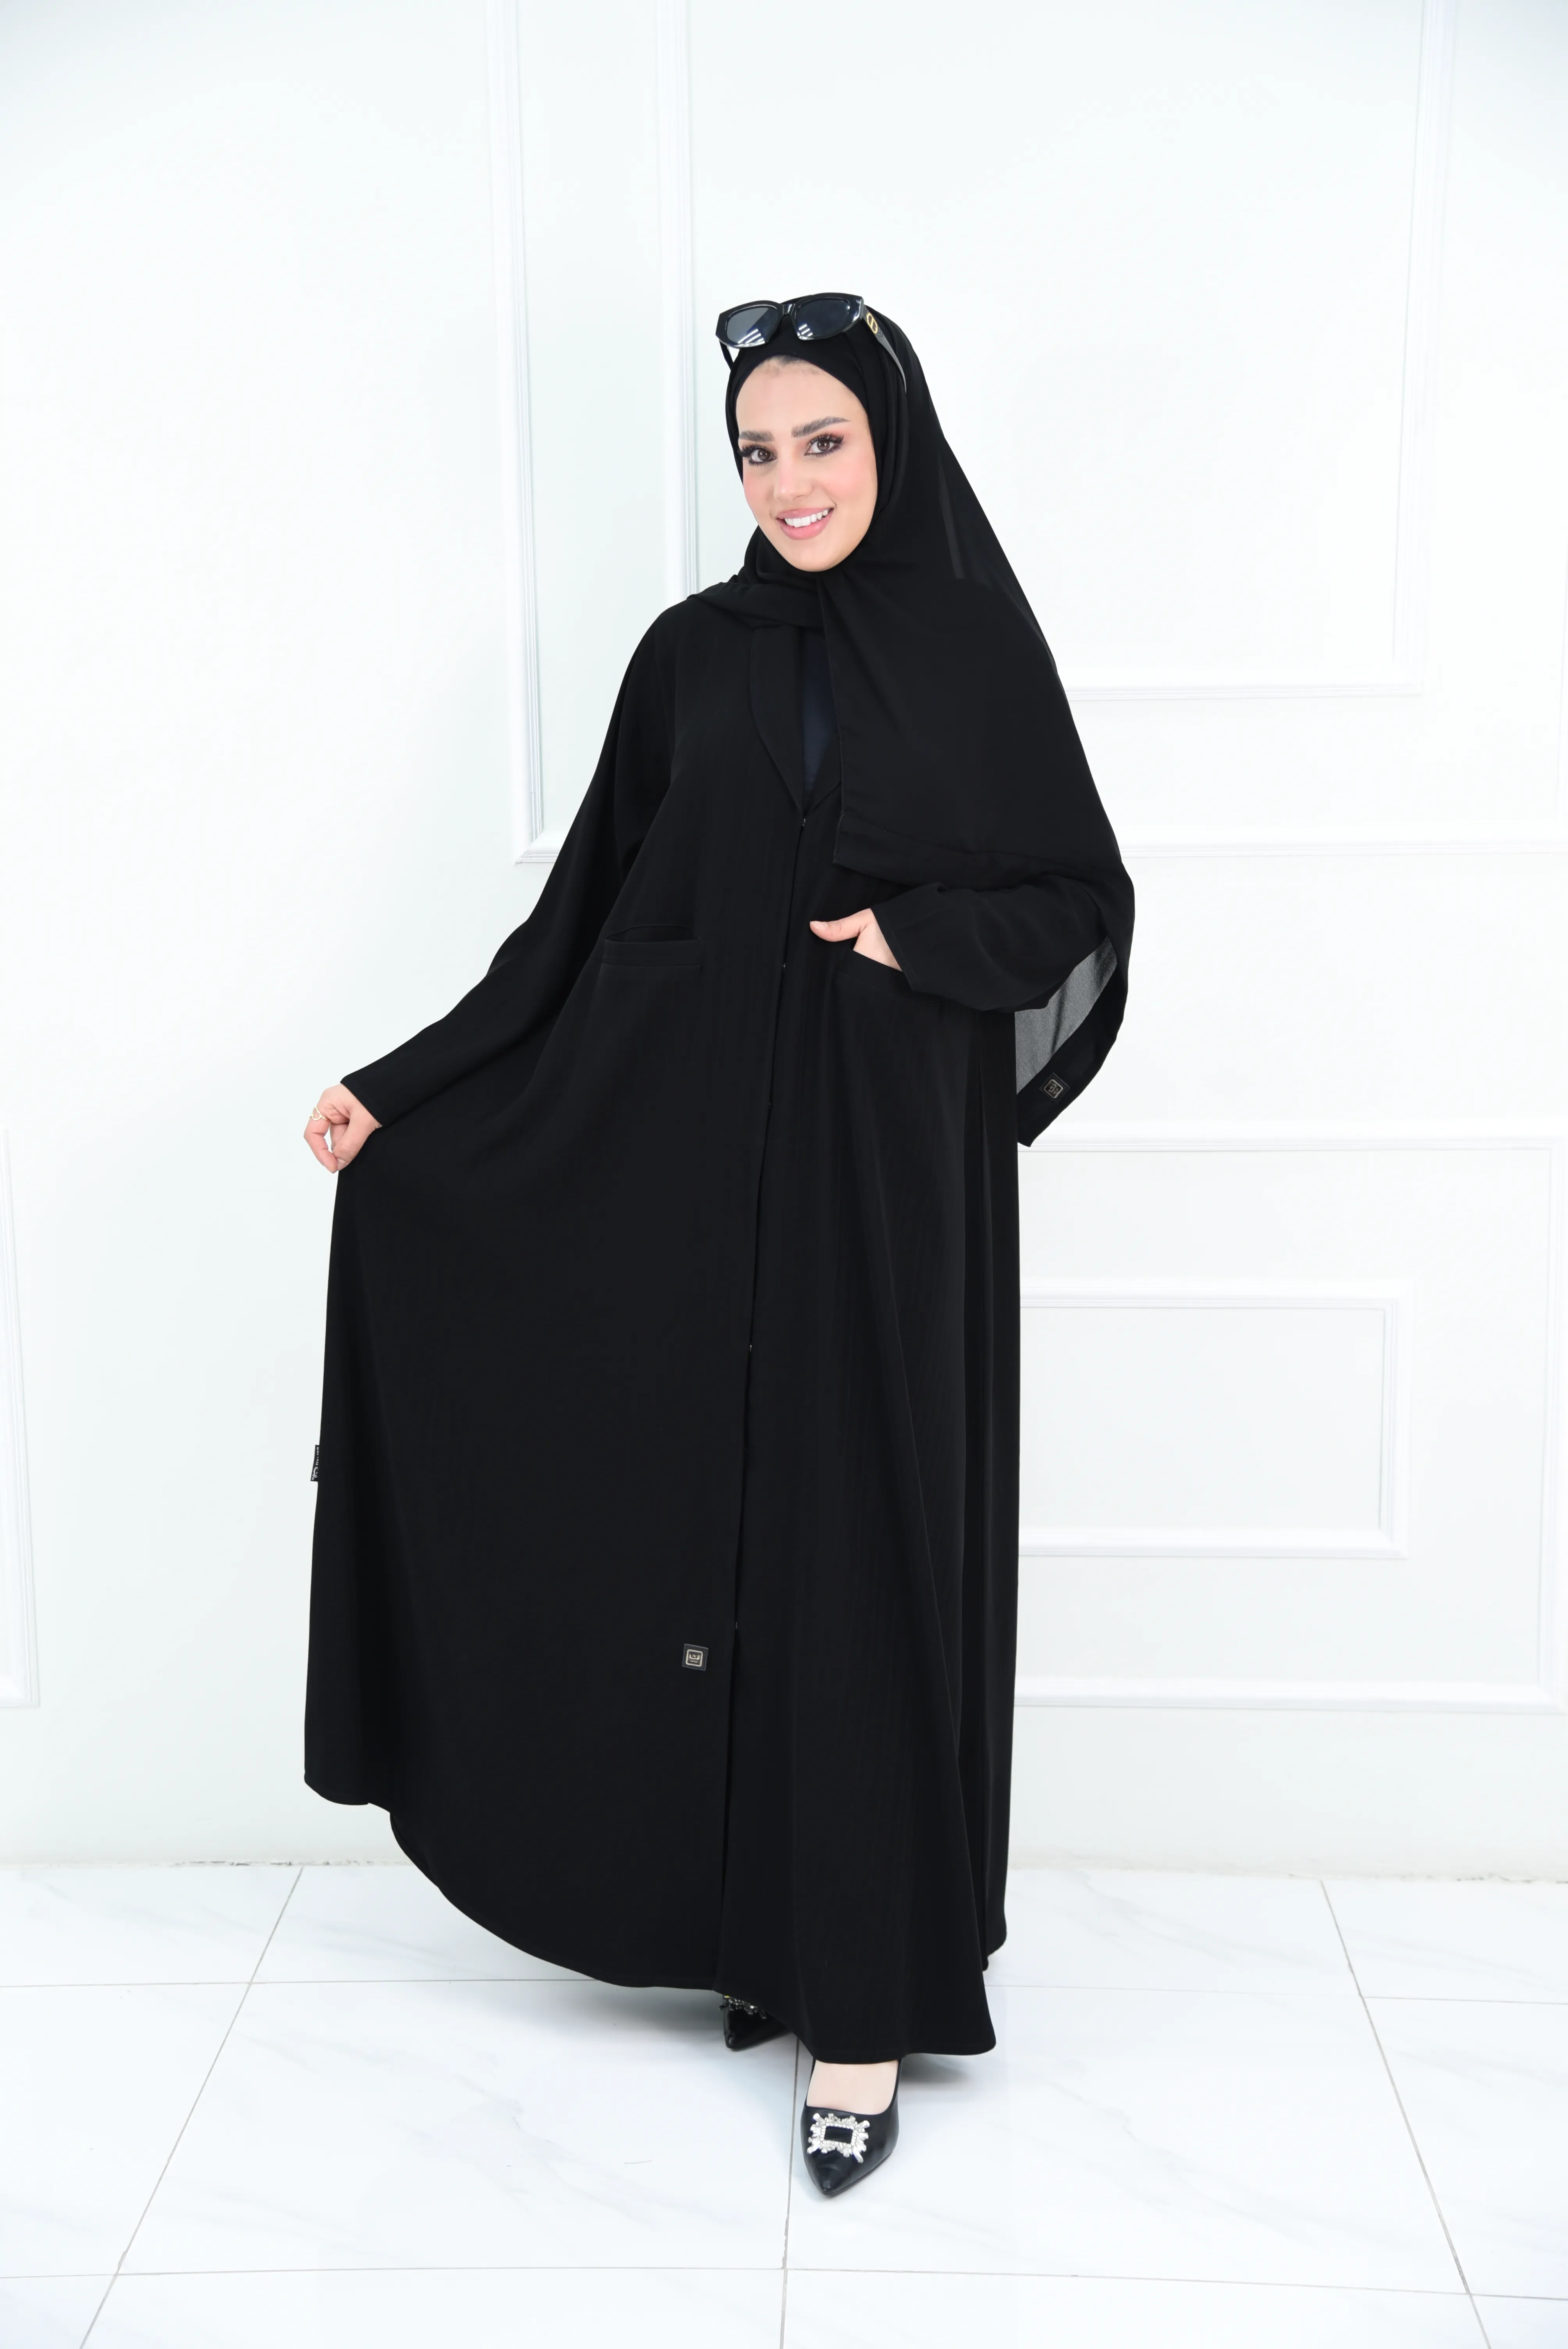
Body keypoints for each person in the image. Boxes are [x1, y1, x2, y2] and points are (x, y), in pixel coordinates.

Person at [303, 296, 1132, 2195]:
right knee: (707, 1540)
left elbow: (1079, 899)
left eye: (821, 440)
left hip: (889, 1182)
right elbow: (579, 922)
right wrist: (402, 1091)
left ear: (891, 441)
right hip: (694, 1167)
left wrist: (914, 939)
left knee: (863, 1553)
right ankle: (725, 1908)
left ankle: (863, 1996)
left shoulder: (974, 652)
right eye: (757, 451)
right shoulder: (691, 656)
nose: (787, 483)